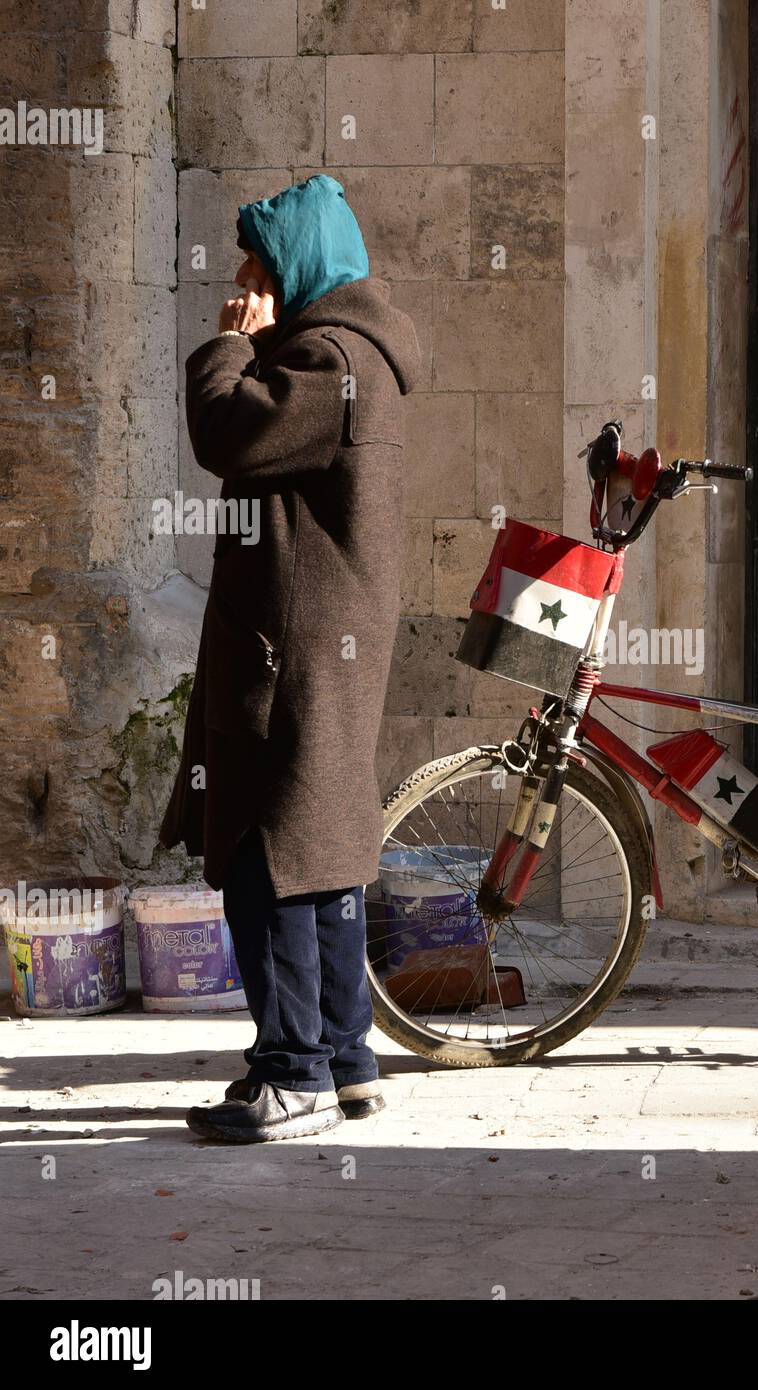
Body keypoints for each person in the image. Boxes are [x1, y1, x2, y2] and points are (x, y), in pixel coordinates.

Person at [159, 175, 421, 1142]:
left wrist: (231, 343)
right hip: (316, 642)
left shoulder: (323, 361)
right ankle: (345, 1060)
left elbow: (224, 434)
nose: (240, 279)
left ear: (297, 269)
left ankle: (294, 1071)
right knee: (322, 852)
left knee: (269, 858)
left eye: (257, 265)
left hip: (292, 649)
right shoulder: (354, 355)